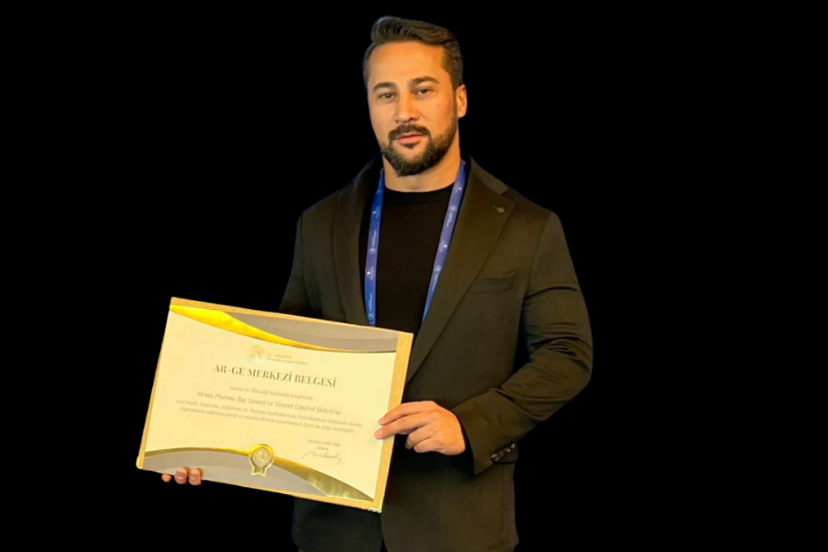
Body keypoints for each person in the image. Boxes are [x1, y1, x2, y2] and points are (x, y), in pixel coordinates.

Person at [162, 15, 593, 552]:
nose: (404, 111)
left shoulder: (528, 227)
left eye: (423, 90)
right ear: (369, 106)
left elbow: (567, 355)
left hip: (459, 529)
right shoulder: (321, 223)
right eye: (386, 94)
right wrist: (204, 439)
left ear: (460, 99)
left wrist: (472, 424)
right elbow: (280, 361)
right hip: (332, 531)